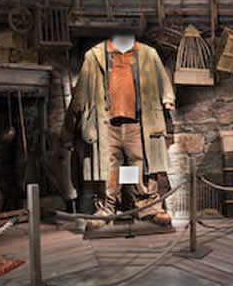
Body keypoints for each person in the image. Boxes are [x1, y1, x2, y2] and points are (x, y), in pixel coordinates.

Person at [63, 34, 175, 230]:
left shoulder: (148, 54)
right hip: (106, 125)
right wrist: (69, 128)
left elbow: (162, 81)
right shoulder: (95, 56)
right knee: (108, 169)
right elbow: (81, 92)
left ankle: (148, 207)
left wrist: (167, 98)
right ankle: (106, 209)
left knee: (141, 166)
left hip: (139, 125)